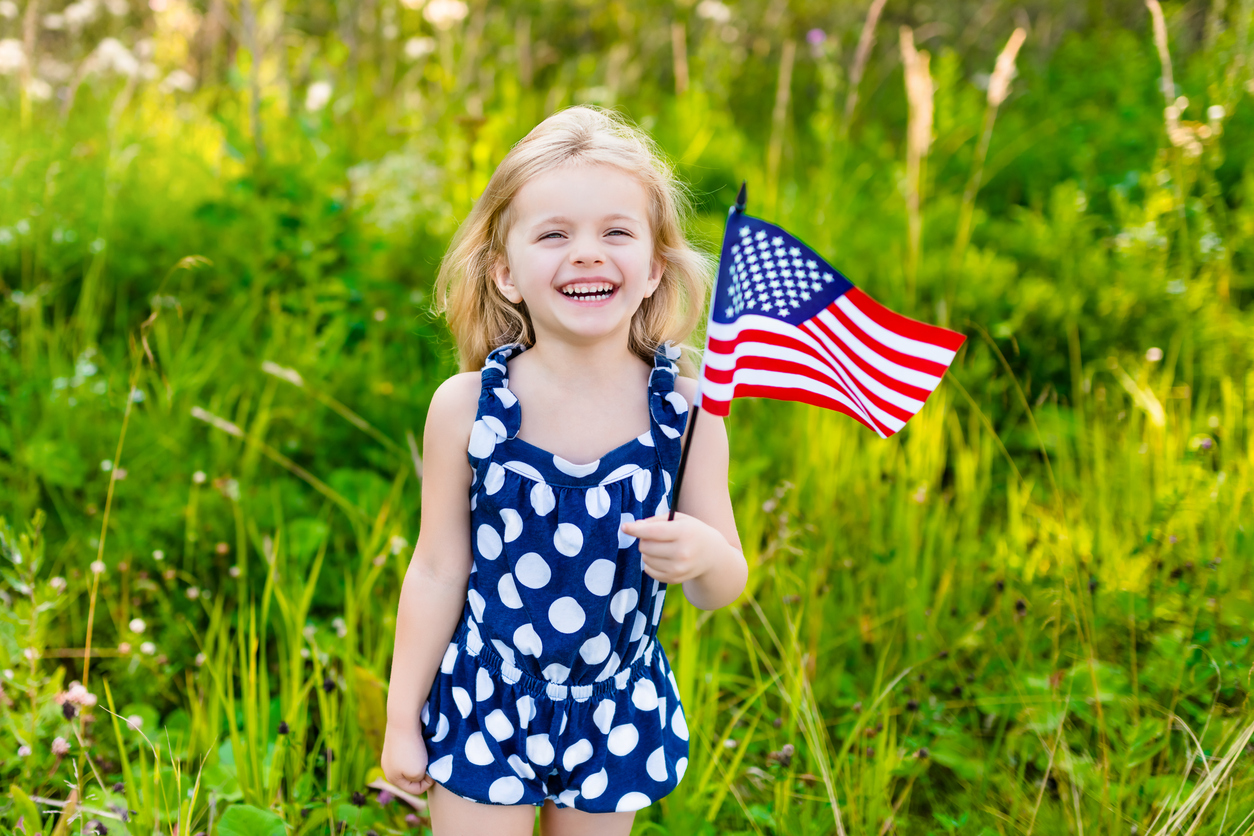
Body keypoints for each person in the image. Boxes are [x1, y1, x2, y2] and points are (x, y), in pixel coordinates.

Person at [381, 105, 746, 836]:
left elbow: (723, 584)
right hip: (487, 694)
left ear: (654, 269)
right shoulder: (466, 408)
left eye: (616, 232)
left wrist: (701, 553)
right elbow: (436, 572)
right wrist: (401, 719)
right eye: (555, 235)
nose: (587, 254)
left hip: (615, 704)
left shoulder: (687, 409)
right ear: (506, 273)